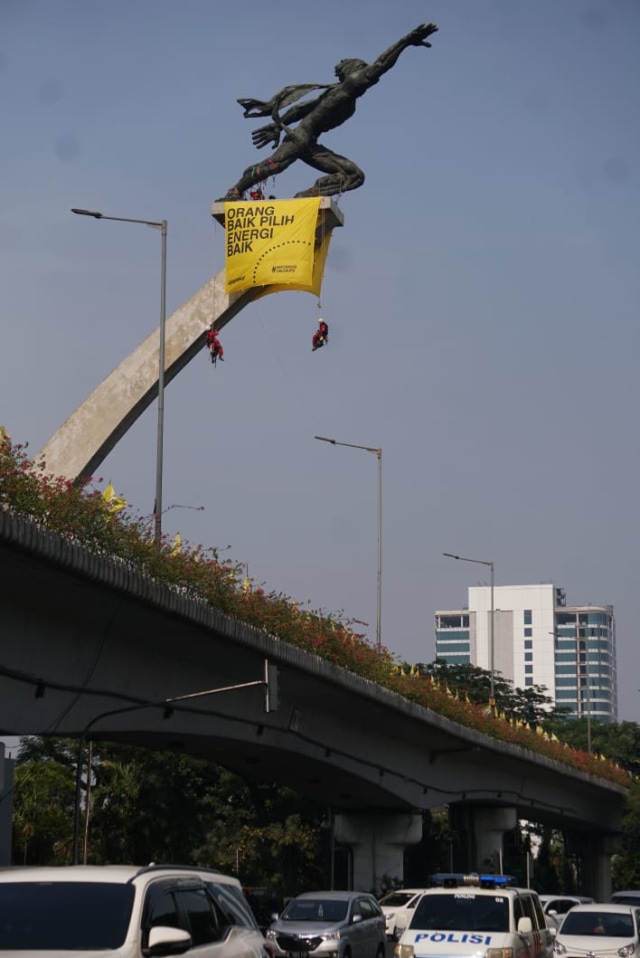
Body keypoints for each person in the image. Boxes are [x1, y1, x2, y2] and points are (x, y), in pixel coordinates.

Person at [218, 23, 438, 201]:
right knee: (274, 166)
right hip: (301, 137)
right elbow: (381, 64)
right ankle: (235, 192)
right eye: (363, 68)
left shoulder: (337, 93)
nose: (367, 73)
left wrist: (278, 124)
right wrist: (406, 41)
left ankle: (303, 198)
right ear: (352, 71)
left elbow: (301, 107)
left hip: (310, 142)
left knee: (354, 176)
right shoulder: (350, 86)